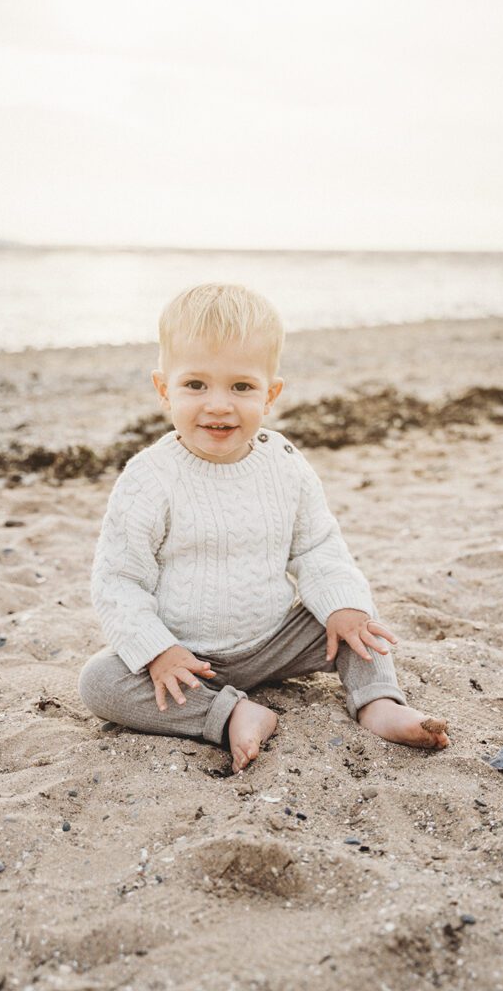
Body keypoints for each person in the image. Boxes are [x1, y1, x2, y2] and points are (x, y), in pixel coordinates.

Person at [78, 283, 449, 773]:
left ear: (270, 394)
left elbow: (317, 546)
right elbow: (119, 579)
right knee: (101, 680)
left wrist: (342, 606)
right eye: (195, 385)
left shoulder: (286, 464)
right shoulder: (150, 477)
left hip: (277, 640)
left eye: (241, 387)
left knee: (353, 616)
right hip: (187, 656)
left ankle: (378, 701)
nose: (218, 405)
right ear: (163, 388)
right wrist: (159, 652)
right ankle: (232, 713)